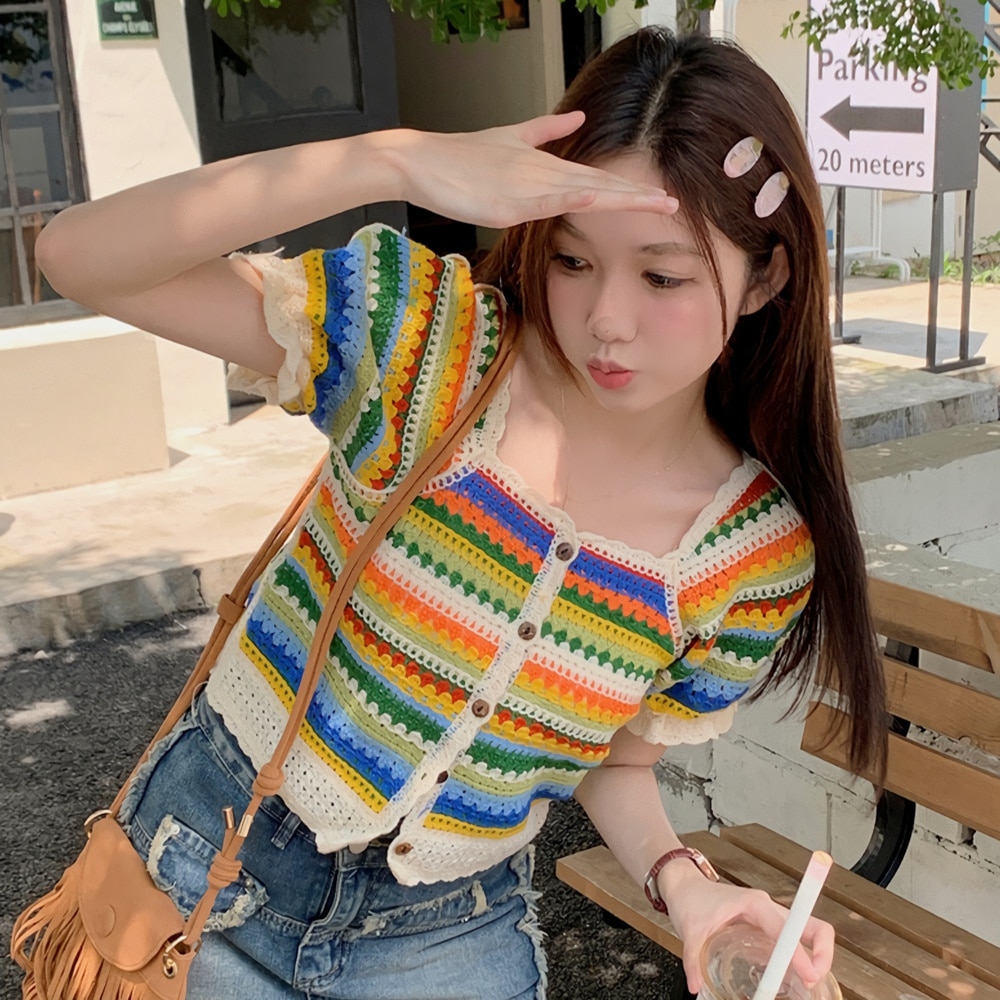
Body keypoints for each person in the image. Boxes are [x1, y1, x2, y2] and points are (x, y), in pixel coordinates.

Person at [32, 25, 886, 1000]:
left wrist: (686, 885)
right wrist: (389, 158)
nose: (607, 319)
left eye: (662, 276)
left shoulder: (751, 555)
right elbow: (78, 256)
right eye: (572, 260)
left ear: (766, 276)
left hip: (445, 941)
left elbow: (611, 759)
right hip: (210, 864)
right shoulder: (425, 345)